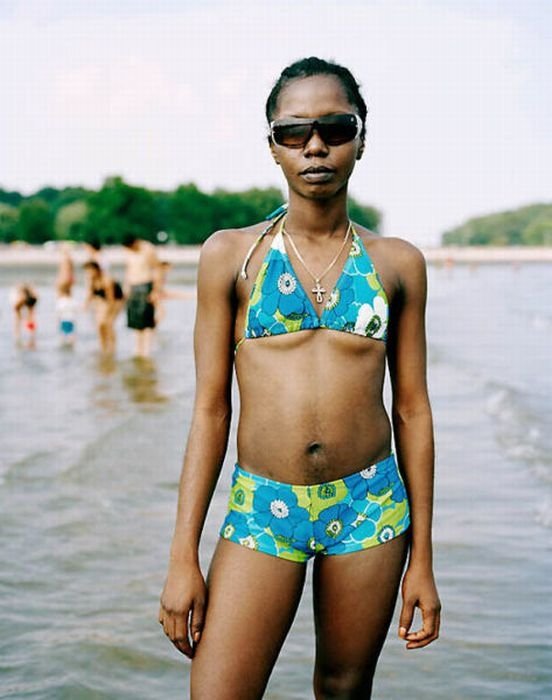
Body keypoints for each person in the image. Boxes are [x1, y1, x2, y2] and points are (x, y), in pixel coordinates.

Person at [159, 57, 441, 699]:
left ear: (360, 138)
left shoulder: (398, 265)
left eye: (335, 128)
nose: (315, 145)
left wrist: (422, 558)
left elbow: (414, 412)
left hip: (370, 506)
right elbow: (209, 410)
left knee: (342, 689)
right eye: (294, 132)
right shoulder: (230, 257)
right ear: (274, 147)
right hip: (263, 507)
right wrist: (183, 557)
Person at [122, 234, 160, 358]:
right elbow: (128, 269)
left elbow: (156, 269)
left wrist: (155, 290)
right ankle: (138, 350)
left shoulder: (148, 248)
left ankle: (147, 351)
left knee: (147, 321)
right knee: (135, 321)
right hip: (133, 286)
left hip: (146, 285)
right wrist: (126, 287)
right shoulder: (128, 251)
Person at [83, 261, 124, 354]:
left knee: (108, 324)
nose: (88, 274)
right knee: (99, 325)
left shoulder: (107, 280)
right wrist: (85, 305)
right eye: (86, 272)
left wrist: (109, 313)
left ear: (96, 270)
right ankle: (103, 347)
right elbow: (90, 294)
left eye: (90, 271)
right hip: (102, 301)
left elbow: (111, 299)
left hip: (116, 301)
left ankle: (113, 348)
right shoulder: (91, 280)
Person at [56, 281, 78, 346]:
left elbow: (58, 311)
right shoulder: (72, 300)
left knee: (63, 335)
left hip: (63, 320)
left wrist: (57, 320)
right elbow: (76, 310)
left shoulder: (60, 301)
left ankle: (64, 345)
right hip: (71, 319)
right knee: (71, 334)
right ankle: (71, 345)